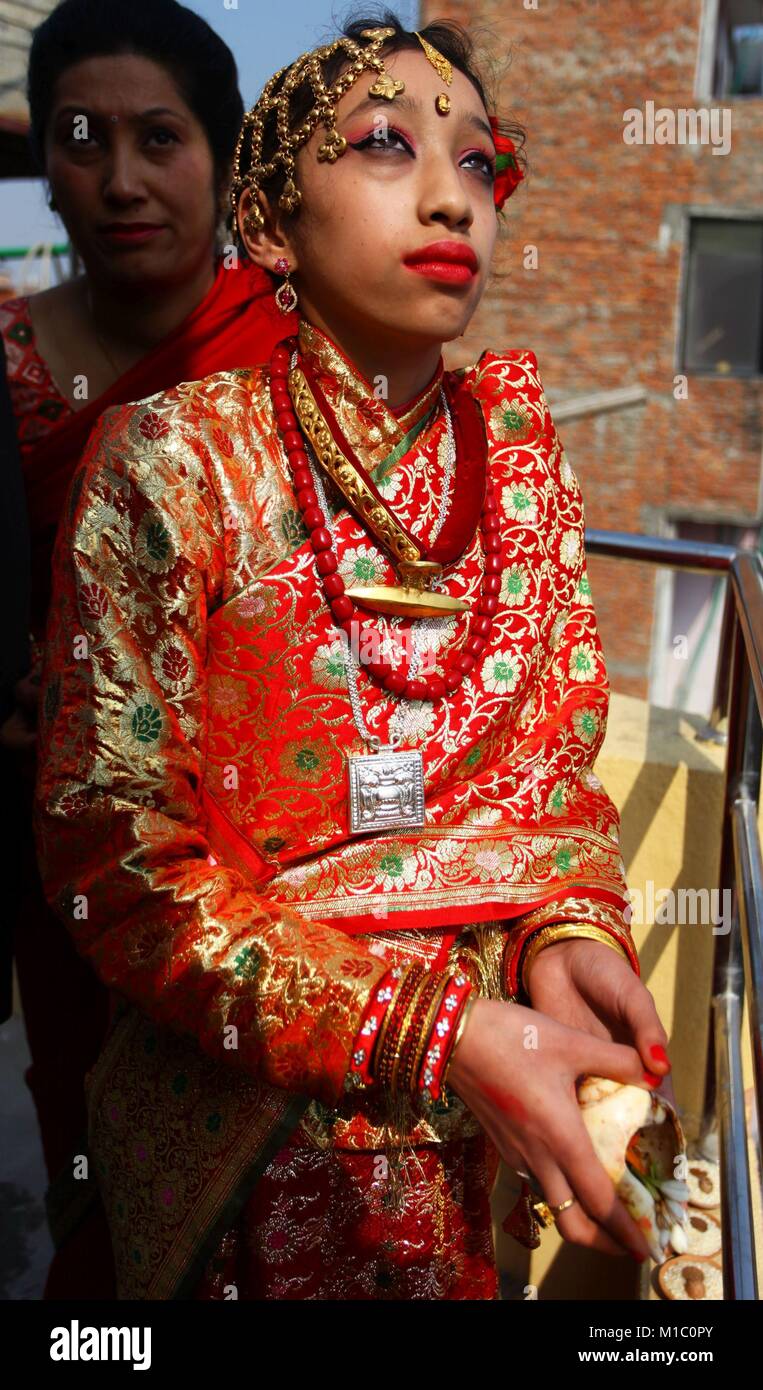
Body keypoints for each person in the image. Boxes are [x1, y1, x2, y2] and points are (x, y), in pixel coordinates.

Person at [33, 12, 673, 1301]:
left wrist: (568, 924)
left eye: (480, 163)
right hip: (234, 1123)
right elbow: (117, 855)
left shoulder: (517, 452)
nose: (453, 196)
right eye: (386, 146)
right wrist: (433, 1032)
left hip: (459, 1142)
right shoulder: (174, 461)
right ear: (268, 219)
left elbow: (546, 768)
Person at [1, 0, 296, 1298]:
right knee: (90, 1165)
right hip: (55, 857)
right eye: (81, 137)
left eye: (158, 137)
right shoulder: (10, 364)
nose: (118, 177)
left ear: (224, 162)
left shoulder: (301, 347)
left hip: (261, 858)